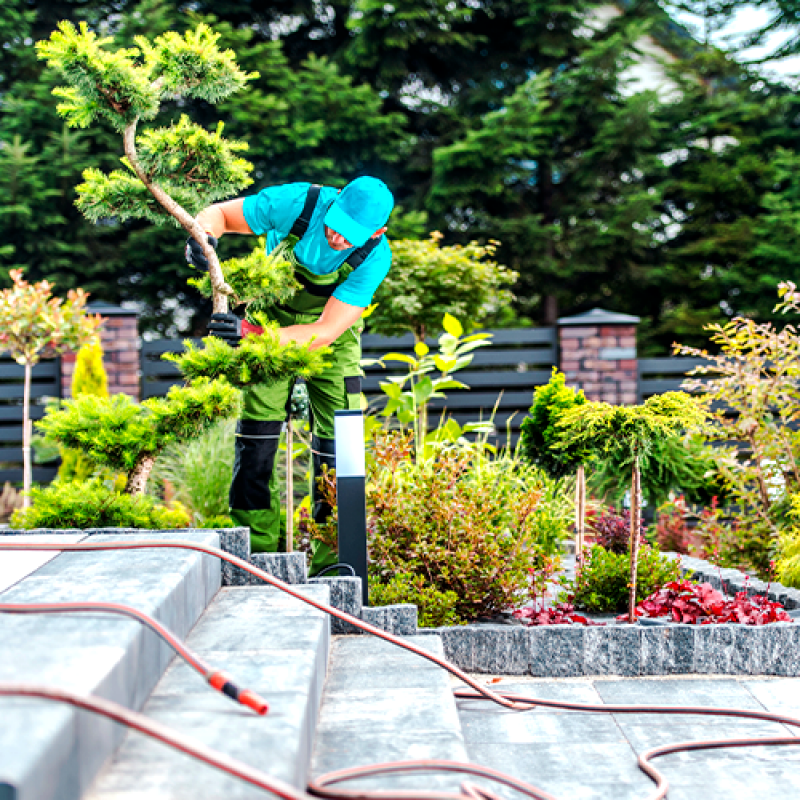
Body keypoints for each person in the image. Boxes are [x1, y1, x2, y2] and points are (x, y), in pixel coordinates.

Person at [186, 177, 394, 576]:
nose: (335, 236)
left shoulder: (374, 257)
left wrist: (253, 337)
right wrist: (203, 238)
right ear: (332, 205)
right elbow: (219, 214)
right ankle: (257, 553)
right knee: (257, 436)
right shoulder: (299, 202)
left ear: (377, 233)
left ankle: (336, 562)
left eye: (349, 235)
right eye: (335, 224)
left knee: (341, 441)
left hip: (329, 338)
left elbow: (326, 331)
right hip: (272, 313)